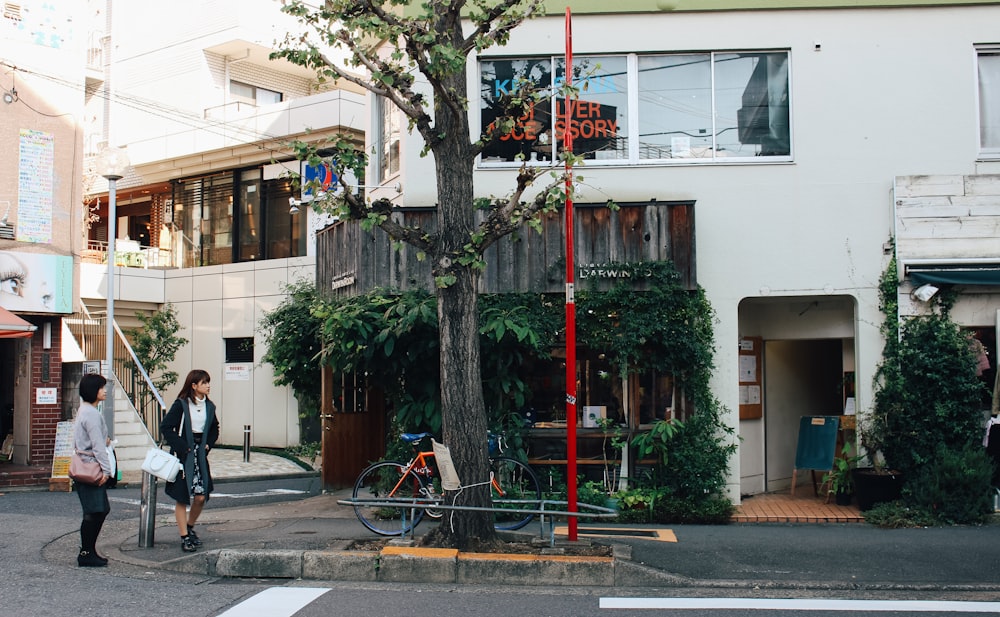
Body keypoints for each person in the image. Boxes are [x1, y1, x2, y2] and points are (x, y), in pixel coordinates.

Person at [160, 369, 220, 553]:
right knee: (182, 497)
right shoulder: (181, 405)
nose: (208, 386)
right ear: (194, 386)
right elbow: (166, 427)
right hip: (184, 455)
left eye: (208, 382)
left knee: (200, 496)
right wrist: (183, 447)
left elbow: (214, 428)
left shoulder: (209, 406)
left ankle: (190, 526)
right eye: (204, 383)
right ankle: (184, 536)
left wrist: (208, 444)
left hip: (200, 455)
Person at [73, 373, 112, 567]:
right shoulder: (92, 414)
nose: (104, 391)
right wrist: (106, 470)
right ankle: (86, 552)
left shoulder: (84, 410)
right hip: (92, 468)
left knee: (97, 510)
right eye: (101, 387)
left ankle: (88, 551)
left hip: (83, 465)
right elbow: (97, 446)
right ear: (93, 391)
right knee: (96, 511)